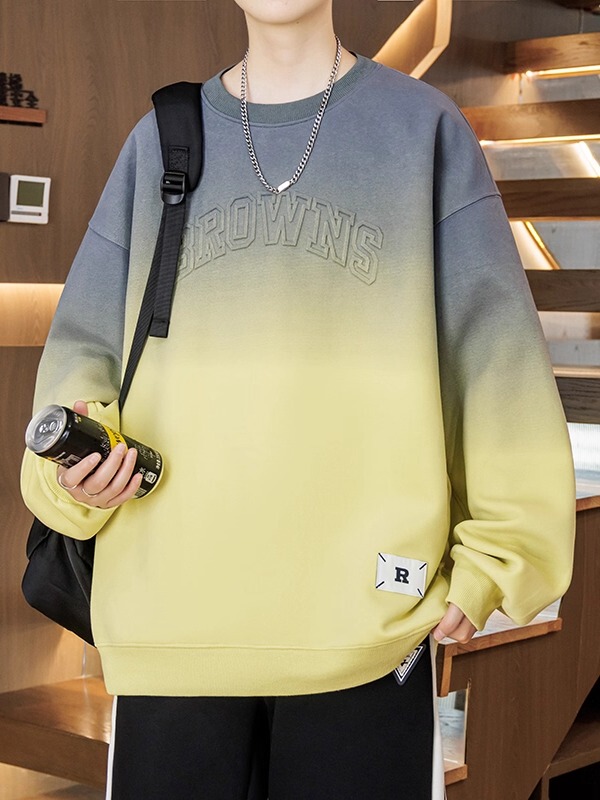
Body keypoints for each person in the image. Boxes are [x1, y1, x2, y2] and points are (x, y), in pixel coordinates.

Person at [21, 1, 576, 797]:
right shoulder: (161, 139)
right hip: (173, 622)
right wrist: (75, 474)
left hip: (365, 627)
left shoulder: (422, 130)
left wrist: (500, 556)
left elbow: (496, 359)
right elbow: (86, 352)